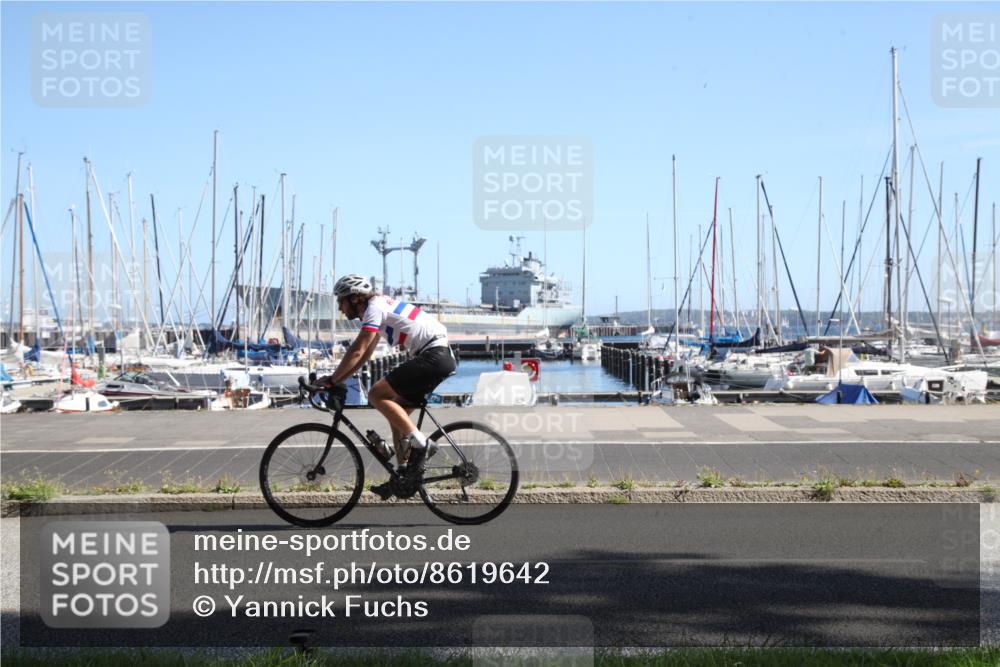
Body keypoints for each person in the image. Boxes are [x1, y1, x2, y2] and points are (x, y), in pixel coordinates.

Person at [318, 274, 455, 498]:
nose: (339, 308)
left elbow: (357, 350)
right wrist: (338, 379)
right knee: (397, 416)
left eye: (340, 301)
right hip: (438, 356)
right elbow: (364, 356)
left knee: (376, 395)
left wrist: (332, 380)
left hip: (434, 355)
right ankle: (402, 476)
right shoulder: (378, 308)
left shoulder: (374, 307)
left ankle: (422, 445)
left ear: (354, 299)